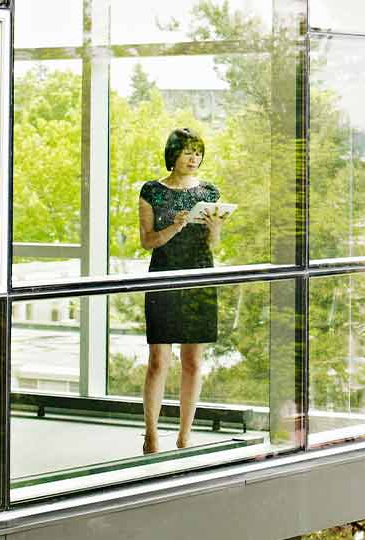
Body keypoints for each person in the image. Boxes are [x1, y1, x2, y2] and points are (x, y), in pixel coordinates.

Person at [137, 128, 224, 454]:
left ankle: (185, 436)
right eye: (188, 151)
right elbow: (147, 241)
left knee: (193, 361)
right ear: (173, 154)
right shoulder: (152, 191)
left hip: (200, 280)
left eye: (198, 152)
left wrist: (215, 232)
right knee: (159, 360)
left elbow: (213, 246)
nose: (194, 158)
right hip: (163, 278)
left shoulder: (210, 193)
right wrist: (175, 225)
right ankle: (151, 434)